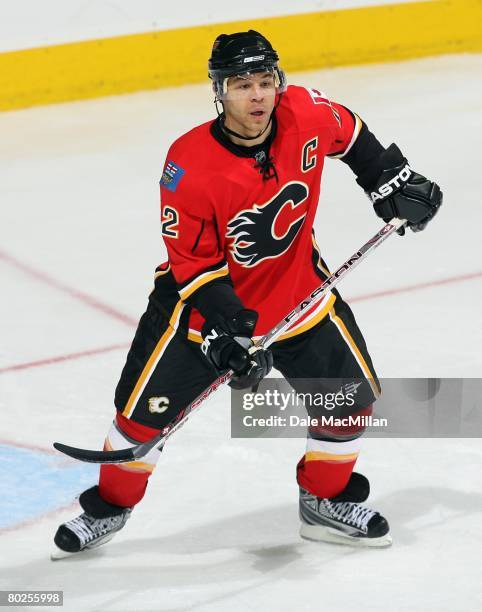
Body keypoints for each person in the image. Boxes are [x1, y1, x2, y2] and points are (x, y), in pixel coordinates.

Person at [52, 30, 442, 558]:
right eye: (242, 85)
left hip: (302, 300)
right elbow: (195, 265)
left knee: (348, 405)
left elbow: (349, 132)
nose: (257, 96)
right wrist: (227, 334)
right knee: (139, 423)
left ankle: (324, 503)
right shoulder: (188, 163)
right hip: (198, 313)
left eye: (265, 82)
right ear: (220, 92)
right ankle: (109, 507)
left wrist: (389, 179)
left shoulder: (304, 112)